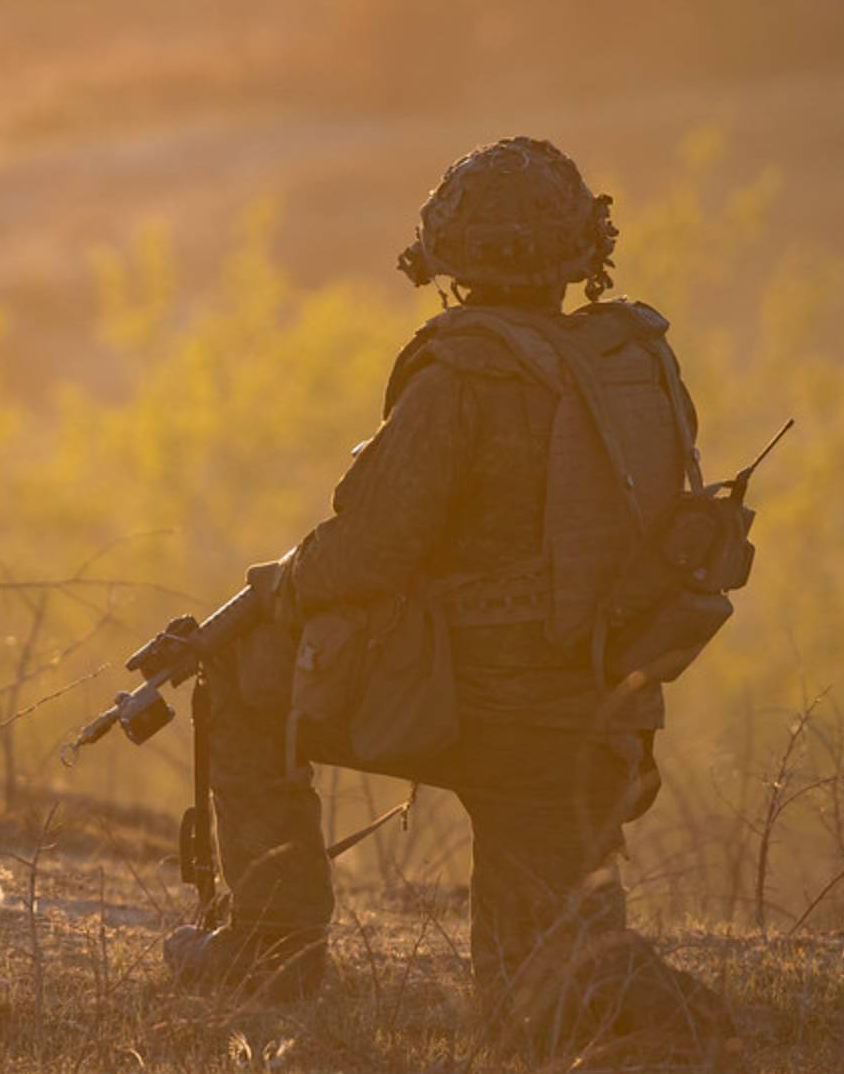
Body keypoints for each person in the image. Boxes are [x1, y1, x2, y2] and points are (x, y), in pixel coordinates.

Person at [164, 137, 734, 1059]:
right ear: (581, 251)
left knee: (239, 667)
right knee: (538, 996)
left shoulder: (462, 371)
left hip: (476, 704)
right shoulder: (635, 360)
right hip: (593, 716)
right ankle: (656, 1009)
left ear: (447, 253)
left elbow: (367, 549)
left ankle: (270, 950)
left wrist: (280, 588)